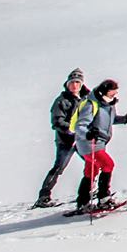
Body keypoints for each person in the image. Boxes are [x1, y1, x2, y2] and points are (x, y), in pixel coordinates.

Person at [70, 78, 127, 213]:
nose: (114, 95)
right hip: (89, 144)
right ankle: (104, 198)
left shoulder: (109, 104)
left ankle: (83, 202)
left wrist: (126, 119)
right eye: (112, 93)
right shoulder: (91, 104)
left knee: (91, 170)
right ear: (103, 92)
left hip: (99, 143)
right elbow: (80, 125)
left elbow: (111, 120)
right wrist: (88, 134)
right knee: (108, 165)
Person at [34, 68, 89, 207]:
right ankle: (43, 197)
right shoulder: (61, 101)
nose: (74, 85)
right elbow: (57, 122)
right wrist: (71, 130)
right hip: (66, 141)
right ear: (67, 84)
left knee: (93, 163)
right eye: (72, 82)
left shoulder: (86, 99)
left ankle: (90, 189)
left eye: (77, 82)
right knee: (59, 167)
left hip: (81, 139)